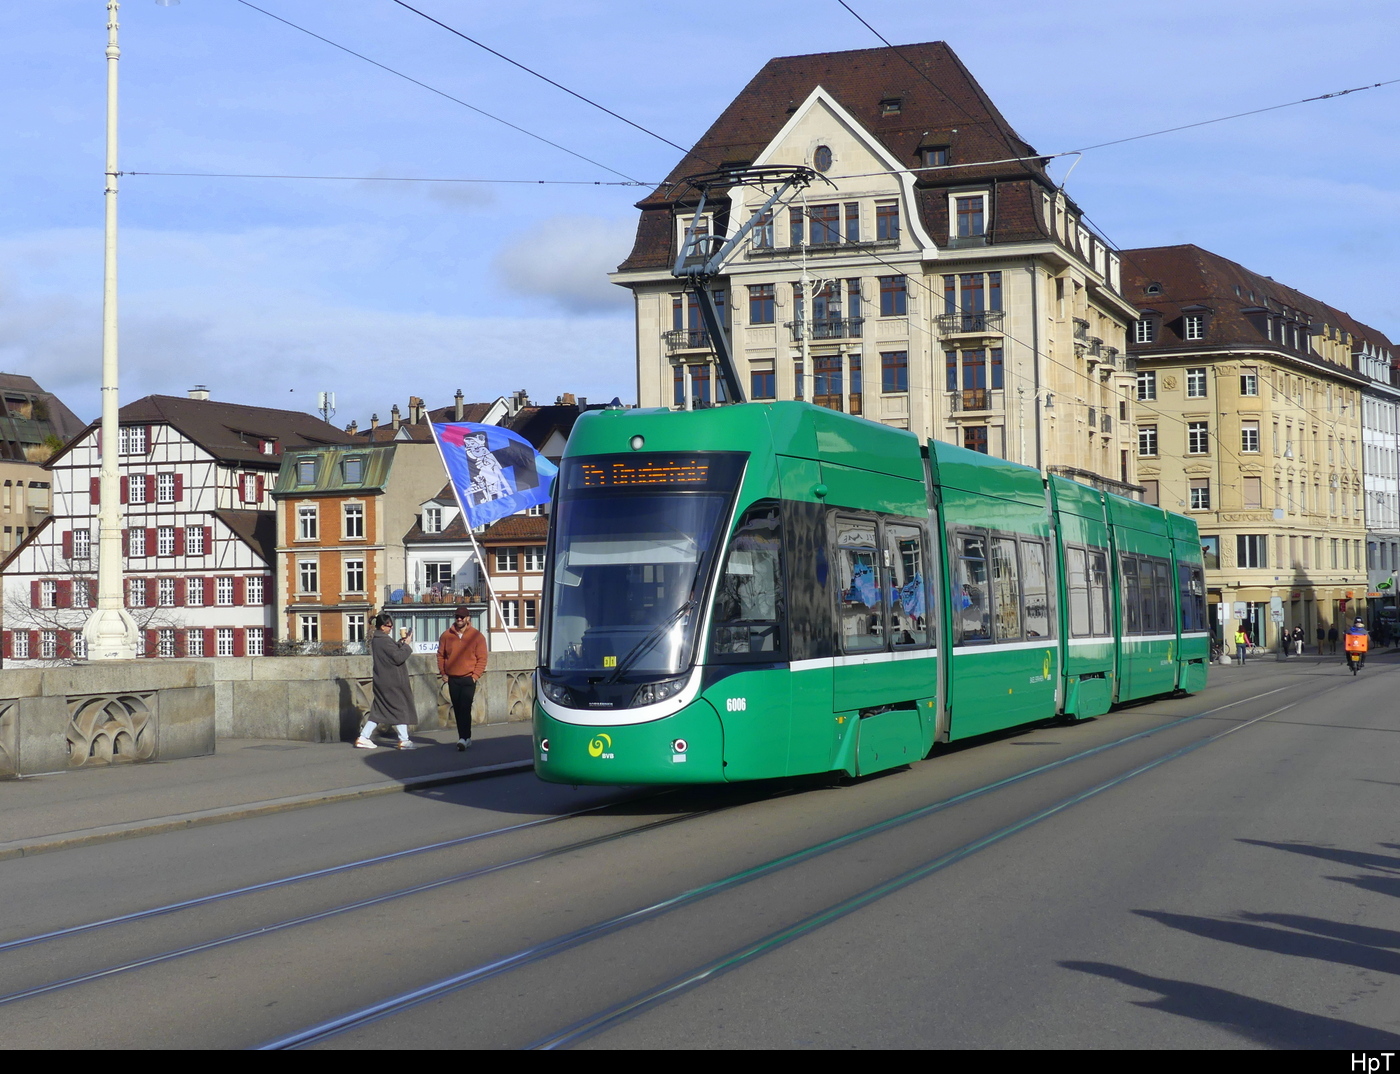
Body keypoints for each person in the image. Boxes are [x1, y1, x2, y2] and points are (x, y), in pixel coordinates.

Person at [355, 613, 419, 750]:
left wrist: (400, 643)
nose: (391, 628)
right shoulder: (383, 640)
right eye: (388, 625)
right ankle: (404, 740)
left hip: (381, 679)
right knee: (400, 707)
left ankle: (363, 737)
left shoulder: (378, 639)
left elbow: (390, 653)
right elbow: (397, 657)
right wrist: (407, 645)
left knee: (378, 710)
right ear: (382, 626)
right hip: (391, 681)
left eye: (391, 625)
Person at [438, 605, 487, 751]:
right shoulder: (446, 635)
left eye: (462, 617)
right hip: (452, 678)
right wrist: (443, 673)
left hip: (468, 678)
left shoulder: (477, 636)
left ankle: (464, 738)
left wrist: (475, 676)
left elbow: (482, 658)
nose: (459, 619)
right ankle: (465, 737)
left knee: (465, 708)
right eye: (457, 617)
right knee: (458, 709)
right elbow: (441, 655)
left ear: (468, 618)